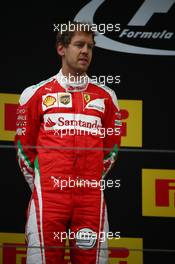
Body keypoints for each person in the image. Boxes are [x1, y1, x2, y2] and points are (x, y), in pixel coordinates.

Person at [15, 21, 122, 264]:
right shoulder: (35, 94)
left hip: (90, 199)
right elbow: (24, 150)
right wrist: (44, 185)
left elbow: (112, 150)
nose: (86, 51)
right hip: (49, 198)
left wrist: (88, 179)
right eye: (79, 45)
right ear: (61, 48)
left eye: (91, 47)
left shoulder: (107, 97)